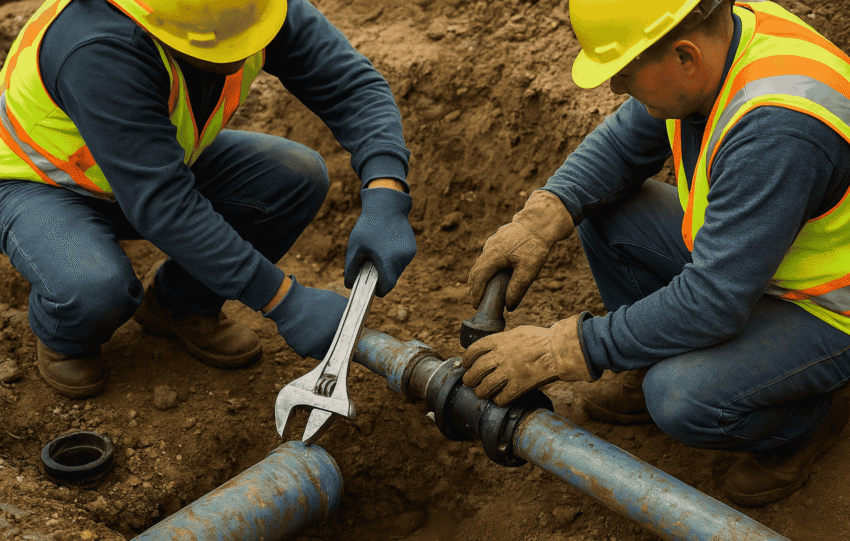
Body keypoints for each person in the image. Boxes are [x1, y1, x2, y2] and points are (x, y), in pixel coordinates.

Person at [461, 0, 850, 507]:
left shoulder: (775, 130)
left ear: (685, 57)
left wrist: (563, 348)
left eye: (624, 73)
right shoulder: (720, 44)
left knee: (681, 397)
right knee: (601, 207)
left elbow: (712, 302)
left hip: (828, 306)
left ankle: (809, 419)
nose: (616, 87)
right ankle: (645, 363)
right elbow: (623, 146)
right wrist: (539, 220)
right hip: (759, 263)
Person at [0, 0, 416, 399]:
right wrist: (285, 301)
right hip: (39, 179)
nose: (245, 48)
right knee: (94, 288)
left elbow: (349, 84)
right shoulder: (98, 46)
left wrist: (386, 189)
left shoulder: (250, 8)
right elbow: (165, 205)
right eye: (223, 44)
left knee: (295, 176)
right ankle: (63, 335)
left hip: (151, 162)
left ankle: (179, 304)